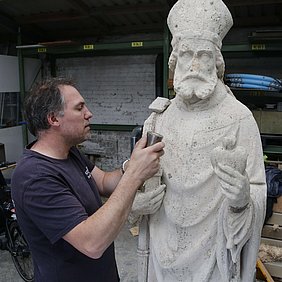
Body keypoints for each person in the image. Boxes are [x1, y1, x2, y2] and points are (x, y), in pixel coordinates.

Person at [130, 0, 267, 281]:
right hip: (160, 253)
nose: (193, 64)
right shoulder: (157, 120)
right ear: (174, 60)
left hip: (214, 258)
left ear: (216, 61)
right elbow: (134, 183)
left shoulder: (240, 119)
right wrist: (135, 203)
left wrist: (242, 199)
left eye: (203, 55)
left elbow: (257, 190)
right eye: (185, 54)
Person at [11, 77, 165, 282]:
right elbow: (92, 243)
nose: (89, 114)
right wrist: (135, 175)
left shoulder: (69, 153)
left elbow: (103, 182)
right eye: (79, 108)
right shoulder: (34, 177)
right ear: (53, 119)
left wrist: (131, 165)